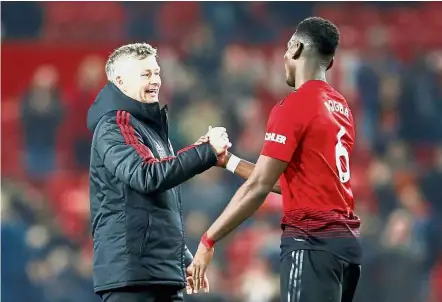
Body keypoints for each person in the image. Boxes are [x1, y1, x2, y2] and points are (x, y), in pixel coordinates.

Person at [191, 17, 362, 302]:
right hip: (346, 248)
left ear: (295, 48)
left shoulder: (293, 106)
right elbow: (289, 183)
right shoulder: (341, 108)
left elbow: (259, 186)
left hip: (311, 243)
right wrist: (229, 161)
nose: (283, 57)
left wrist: (208, 240)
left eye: (286, 49)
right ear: (329, 63)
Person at [86, 43, 231, 302]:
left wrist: (181, 259)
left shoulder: (148, 128)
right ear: (120, 81)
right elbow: (146, 175)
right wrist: (206, 152)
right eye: (146, 75)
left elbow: (157, 206)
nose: (155, 81)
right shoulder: (114, 124)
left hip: (158, 273)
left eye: (157, 73)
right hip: (132, 277)